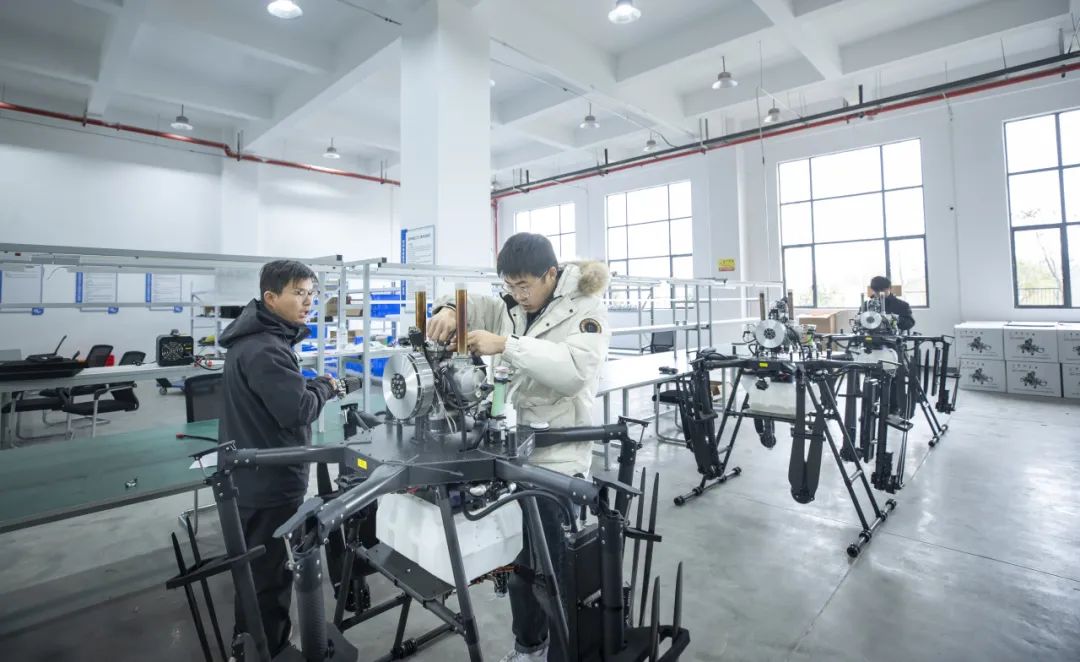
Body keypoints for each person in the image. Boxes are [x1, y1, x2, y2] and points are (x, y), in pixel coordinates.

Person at [426, 232, 611, 662]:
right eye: (509, 285)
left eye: (524, 285)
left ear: (551, 274)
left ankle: (564, 652)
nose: (516, 294)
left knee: (556, 568)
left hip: (558, 457)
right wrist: (449, 309)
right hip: (513, 449)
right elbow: (472, 303)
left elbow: (573, 372)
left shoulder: (587, 310)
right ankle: (529, 646)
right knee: (520, 565)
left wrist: (506, 345)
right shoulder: (511, 304)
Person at [218, 260, 339, 656]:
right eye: (298, 294)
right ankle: (265, 650)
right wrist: (324, 386)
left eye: (311, 294)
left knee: (256, 573)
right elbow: (297, 410)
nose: (308, 303)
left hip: (253, 476)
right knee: (268, 579)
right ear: (270, 298)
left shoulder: (260, 340)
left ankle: (248, 647)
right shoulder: (265, 347)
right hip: (267, 481)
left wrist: (307, 386)